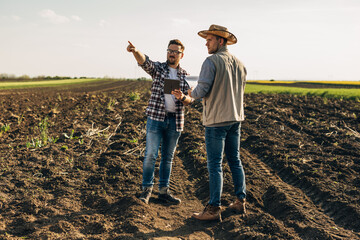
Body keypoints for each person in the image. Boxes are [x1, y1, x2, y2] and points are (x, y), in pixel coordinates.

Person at [173, 24, 247, 221]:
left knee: (215, 165)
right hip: (235, 118)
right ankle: (240, 201)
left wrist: (188, 93)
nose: (206, 43)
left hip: (216, 121)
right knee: (235, 160)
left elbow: (201, 91)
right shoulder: (240, 63)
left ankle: (213, 209)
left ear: (220, 41)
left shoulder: (211, 61)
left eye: (209, 39)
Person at [126, 39, 191, 205]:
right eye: (170, 50)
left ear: (181, 55)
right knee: (150, 155)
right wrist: (135, 51)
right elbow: (145, 62)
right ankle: (146, 190)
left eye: (175, 51)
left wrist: (182, 97)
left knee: (167, 158)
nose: (172, 53)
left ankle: (163, 192)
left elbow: (191, 99)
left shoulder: (184, 76)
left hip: (175, 121)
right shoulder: (159, 69)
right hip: (156, 118)